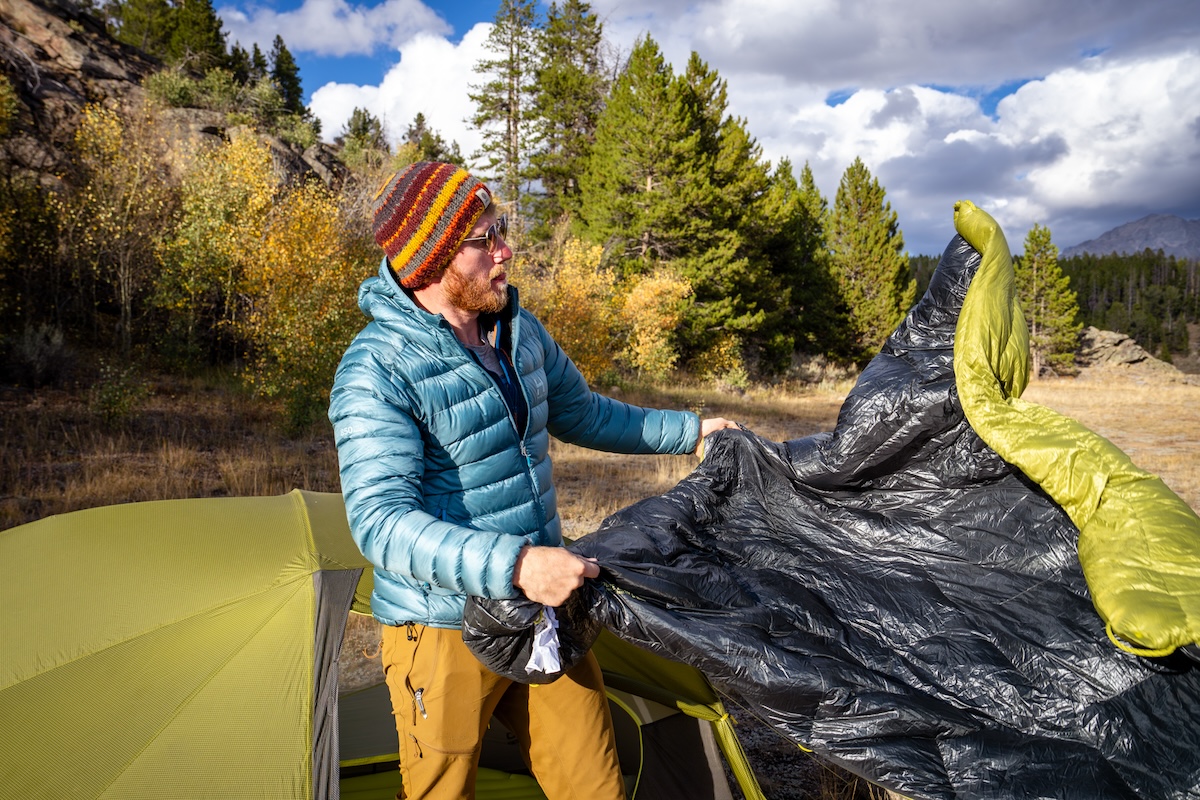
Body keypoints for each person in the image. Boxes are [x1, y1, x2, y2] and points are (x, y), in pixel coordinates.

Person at [329, 161, 737, 800]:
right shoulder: (376, 370)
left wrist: (690, 432)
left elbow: (586, 412)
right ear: (434, 256)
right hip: (441, 624)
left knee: (593, 784)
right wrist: (516, 564)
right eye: (485, 239)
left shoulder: (517, 332)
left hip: (545, 608)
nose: (505, 251)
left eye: (502, 229)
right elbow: (380, 525)